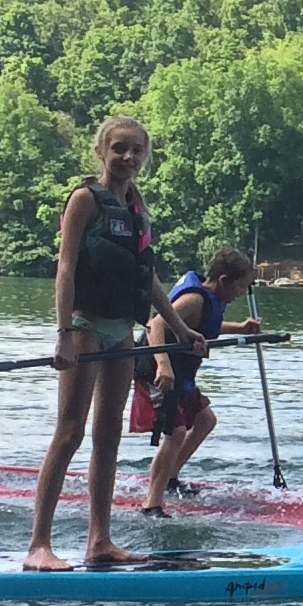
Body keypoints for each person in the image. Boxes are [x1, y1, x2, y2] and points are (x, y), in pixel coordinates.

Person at [25, 117, 186, 571]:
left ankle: (100, 540)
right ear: (101, 151)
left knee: (108, 435)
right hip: (85, 326)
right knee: (70, 432)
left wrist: (180, 328)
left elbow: (147, 276)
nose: (128, 158)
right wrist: (63, 335)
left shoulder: (138, 207)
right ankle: (39, 544)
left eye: (136, 151)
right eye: (119, 148)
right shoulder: (84, 200)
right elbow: (66, 270)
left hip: (122, 330)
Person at [134, 248, 262, 516]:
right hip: (156, 369)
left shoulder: (213, 299)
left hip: (182, 373)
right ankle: (152, 503)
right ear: (223, 280)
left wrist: (240, 328)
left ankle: (170, 478)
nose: (240, 293)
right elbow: (155, 325)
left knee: (205, 420)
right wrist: (163, 365)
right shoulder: (194, 299)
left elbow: (204, 325)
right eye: (239, 286)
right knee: (176, 431)